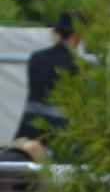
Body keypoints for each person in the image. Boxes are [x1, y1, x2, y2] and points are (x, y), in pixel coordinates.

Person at [12, 12, 81, 143]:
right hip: (58, 127)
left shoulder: (36, 57)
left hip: (29, 123)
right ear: (74, 36)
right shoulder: (77, 64)